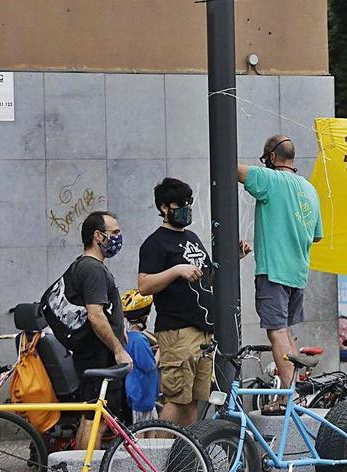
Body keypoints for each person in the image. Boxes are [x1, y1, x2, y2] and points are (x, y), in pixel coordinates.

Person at [138, 178, 252, 426]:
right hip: (178, 331)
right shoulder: (155, 243)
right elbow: (144, 285)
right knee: (177, 397)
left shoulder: (191, 238)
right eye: (180, 204)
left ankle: (186, 457)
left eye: (189, 203)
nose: (186, 208)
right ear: (164, 207)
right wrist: (176, 270)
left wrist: (236, 256)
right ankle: (159, 456)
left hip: (203, 332)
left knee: (193, 398)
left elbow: (208, 276)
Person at [238, 135, 323, 415]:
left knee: (276, 333)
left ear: (272, 158)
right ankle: (292, 391)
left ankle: (289, 396)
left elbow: (231, 169)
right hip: (298, 272)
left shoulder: (271, 180)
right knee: (287, 333)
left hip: (273, 270)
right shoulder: (309, 189)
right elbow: (317, 236)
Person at [70, 211, 132, 449]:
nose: (118, 237)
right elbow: (95, 314)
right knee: (96, 419)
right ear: (98, 236)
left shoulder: (84, 265)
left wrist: (118, 329)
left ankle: (79, 471)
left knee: (91, 417)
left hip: (93, 352)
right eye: (114, 233)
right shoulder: (93, 269)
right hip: (99, 354)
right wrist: (117, 349)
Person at [121, 289, 159, 424]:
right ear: (145, 317)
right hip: (143, 394)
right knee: (144, 431)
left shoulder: (128, 337)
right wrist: (161, 351)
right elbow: (150, 365)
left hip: (135, 392)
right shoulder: (139, 339)